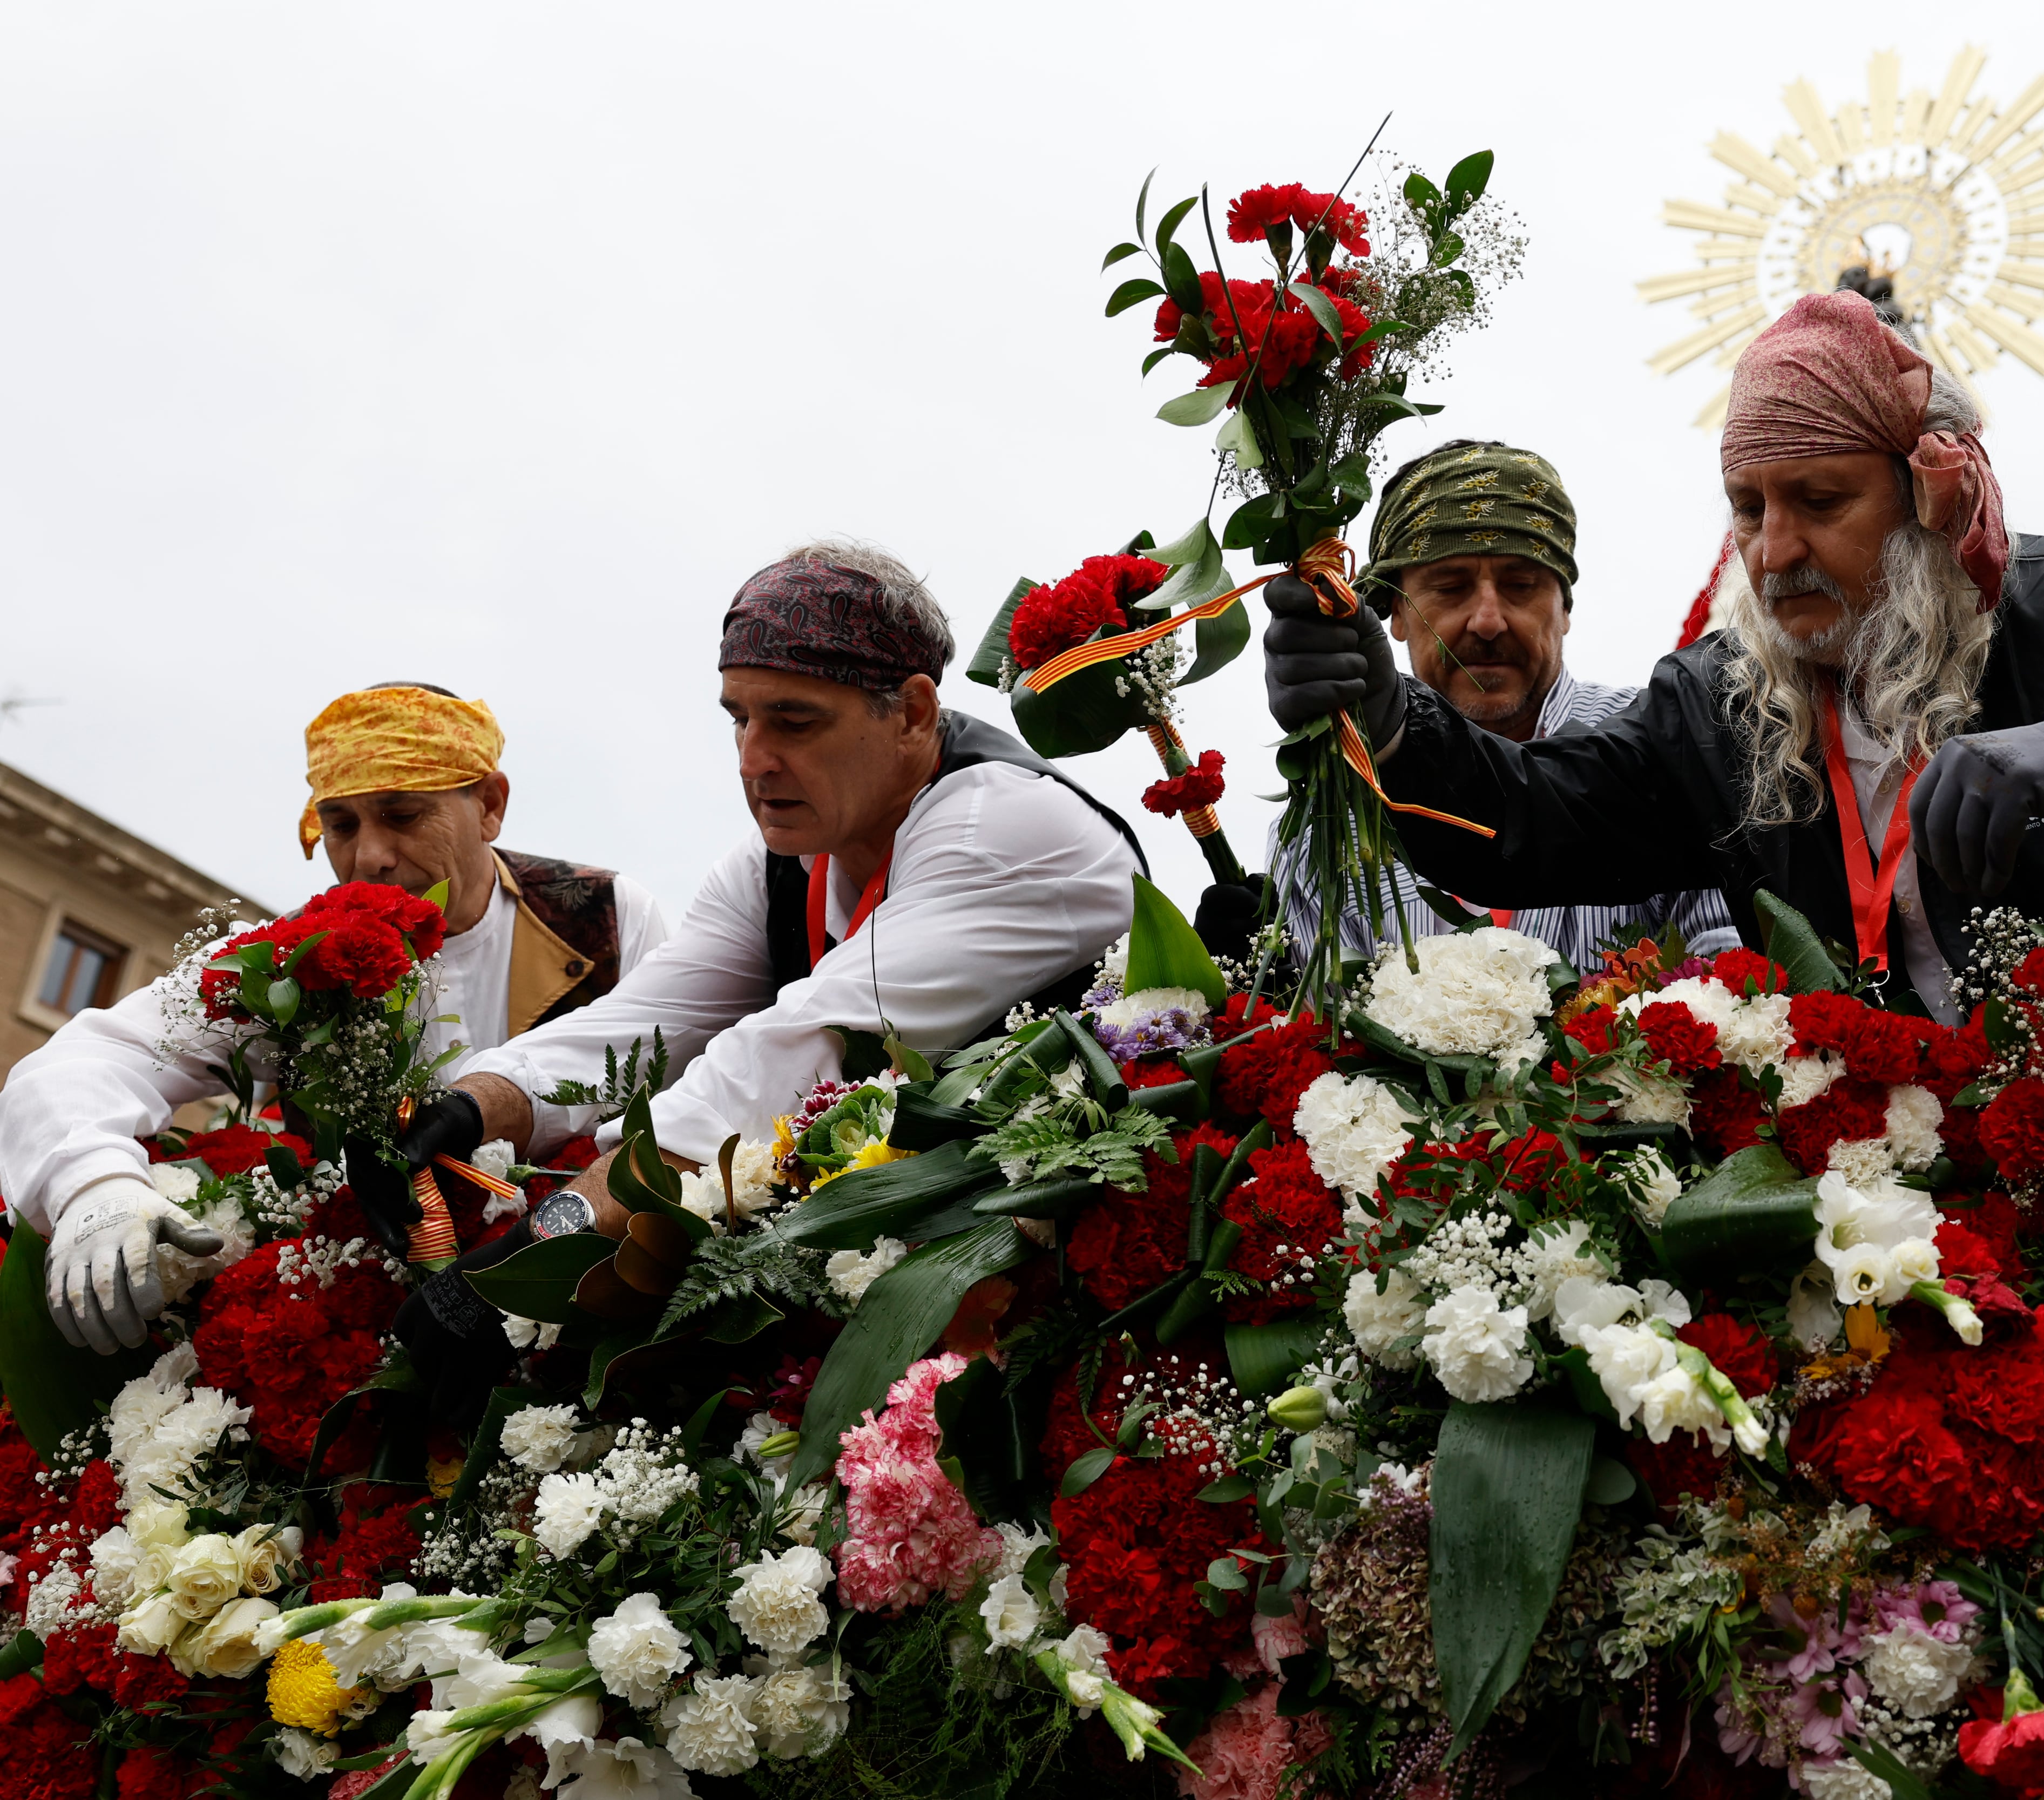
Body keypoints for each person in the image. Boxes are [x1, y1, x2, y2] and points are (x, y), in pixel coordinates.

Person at [1261, 290, 2044, 1020]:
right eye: (1745, 506)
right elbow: (1533, 816)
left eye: (1819, 499)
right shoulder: (1718, 705)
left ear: (1930, 495)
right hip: (1899, 1234)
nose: (1773, 552)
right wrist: (1392, 719)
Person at [384, 542, 1143, 1410]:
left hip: (1077, 1334)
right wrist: (473, 1104)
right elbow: (650, 1020)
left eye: (794, 720)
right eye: (738, 718)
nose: (753, 759)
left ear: (913, 712)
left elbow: (788, 1058)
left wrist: (530, 1257)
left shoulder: (998, 826)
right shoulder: (781, 858)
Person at [0, 683, 669, 1353]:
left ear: (490, 805)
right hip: (359, 1336)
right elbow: (87, 1060)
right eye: (342, 825)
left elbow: (682, 1106)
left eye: (402, 815)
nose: (367, 856)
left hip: (584, 1314)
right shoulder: (287, 960)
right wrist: (96, 1182)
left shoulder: (607, 916)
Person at [1265, 438, 1737, 965]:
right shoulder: (1324, 823)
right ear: (1392, 613)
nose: (1487, 621)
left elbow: (1742, 988)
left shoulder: (1670, 761)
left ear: (1564, 609)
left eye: (1520, 585)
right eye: (1449, 586)